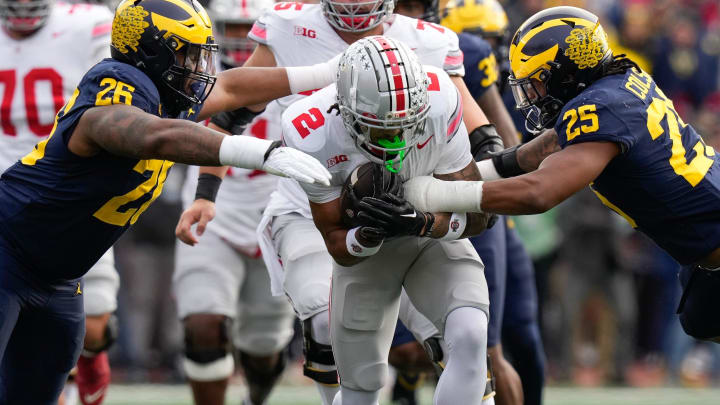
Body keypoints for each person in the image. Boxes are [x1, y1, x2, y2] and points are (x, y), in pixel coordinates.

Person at [0, 0, 339, 401]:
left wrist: (328, 72)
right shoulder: (118, 82)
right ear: (150, 49)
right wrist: (258, 152)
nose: (197, 67)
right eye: (187, 53)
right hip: (9, 253)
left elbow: (231, 87)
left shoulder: (165, 93)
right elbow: (153, 136)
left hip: (58, 277)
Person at [175, 1, 497, 404]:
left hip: (417, 204)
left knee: (464, 337)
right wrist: (206, 194)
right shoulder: (303, 103)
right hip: (312, 204)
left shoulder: (434, 66)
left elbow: (485, 144)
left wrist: (460, 208)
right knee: (329, 328)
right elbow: (231, 109)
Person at [399, 6, 720, 344]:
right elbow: (536, 152)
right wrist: (459, 175)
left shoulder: (601, 109)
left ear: (567, 72)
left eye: (537, 82)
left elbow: (540, 192)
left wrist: (428, 194)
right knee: (701, 318)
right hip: (706, 254)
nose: (531, 96)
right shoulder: (620, 83)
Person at [285, 35, 494, 405]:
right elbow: (336, 242)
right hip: (368, 257)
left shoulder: (440, 97)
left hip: (431, 240)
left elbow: (480, 217)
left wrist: (422, 223)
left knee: (471, 334)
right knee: (361, 387)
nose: (397, 138)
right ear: (346, 111)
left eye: (406, 124)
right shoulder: (310, 132)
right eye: (383, 127)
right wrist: (365, 235)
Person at [172, 0, 296, 405]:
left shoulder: (297, 74)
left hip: (277, 219)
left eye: (251, 29)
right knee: (202, 326)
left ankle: (254, 400)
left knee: (264, 349)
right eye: (234, 27)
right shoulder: (191, 75)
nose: (242, 39)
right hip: (212, 214)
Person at [0, 1, 119, 404]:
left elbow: (116, 94)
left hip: (67, 187)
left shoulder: (87, 24)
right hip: (8, 195)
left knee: (98, 319)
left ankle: (89, 363)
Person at [440, 1, 546, 404]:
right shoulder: (440, 50)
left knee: (510, 340)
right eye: (485, 40)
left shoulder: (481, 64)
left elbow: (507, 143)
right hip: (440, 206)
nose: (493, 53)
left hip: (487, 207)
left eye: (495, 41)